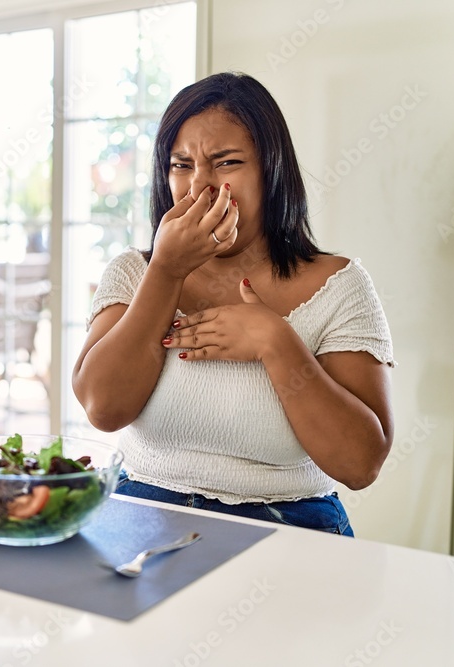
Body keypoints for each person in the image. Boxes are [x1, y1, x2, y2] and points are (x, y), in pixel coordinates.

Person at [72, 72, 395, 536]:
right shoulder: (133, 272)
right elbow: (104, 408)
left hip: (292, 522)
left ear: (273, 171)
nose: (199, 187)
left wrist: (274, 340)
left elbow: (360, 464)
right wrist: (166, 271)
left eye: (225, 163)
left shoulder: (340, 284)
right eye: (181, 165)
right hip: (142, 514)